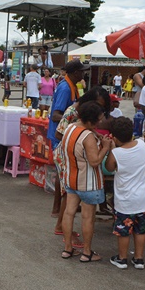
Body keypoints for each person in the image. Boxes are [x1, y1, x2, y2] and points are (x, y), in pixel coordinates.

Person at [56, 101, 113, 262]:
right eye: (98, 120)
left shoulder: (70, 128)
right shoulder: (87, 136)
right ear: (90, 120)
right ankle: (87, 252)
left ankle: (68, 248)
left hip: (71, 178)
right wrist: (105, 147)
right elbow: (95, 161)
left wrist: (98, 137)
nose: (100, 122)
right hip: (88, 183)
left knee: (69, 212)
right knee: (88, 217)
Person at [104, 117, 145, 270]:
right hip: (143, 200)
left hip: (125, 202)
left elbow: (109, 168)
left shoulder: (116, 153)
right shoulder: (143, 144)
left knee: (124, 231)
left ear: (115, 138)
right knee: (140, 230)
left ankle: (122, 258)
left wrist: (110, 148)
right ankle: (139, 259)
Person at [47, 60, 89, 219]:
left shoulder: (72, 86)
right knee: (62, 173)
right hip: (59, 135)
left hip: (64, 133)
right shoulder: (65, 88)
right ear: (74, 73)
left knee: (63, 172)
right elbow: (56, 114)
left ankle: (63, 206)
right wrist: (73, 118)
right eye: (82, 71)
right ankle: (57, 208)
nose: (84, 74)